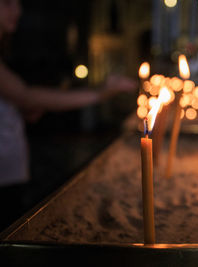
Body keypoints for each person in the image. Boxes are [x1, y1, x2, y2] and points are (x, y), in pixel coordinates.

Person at [0, 0, 136, 231]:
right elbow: (26, 96)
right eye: (6, 3)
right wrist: (100, 93)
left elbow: (21, 101)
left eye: (19, 3)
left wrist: (19, 110)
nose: (18, 10)